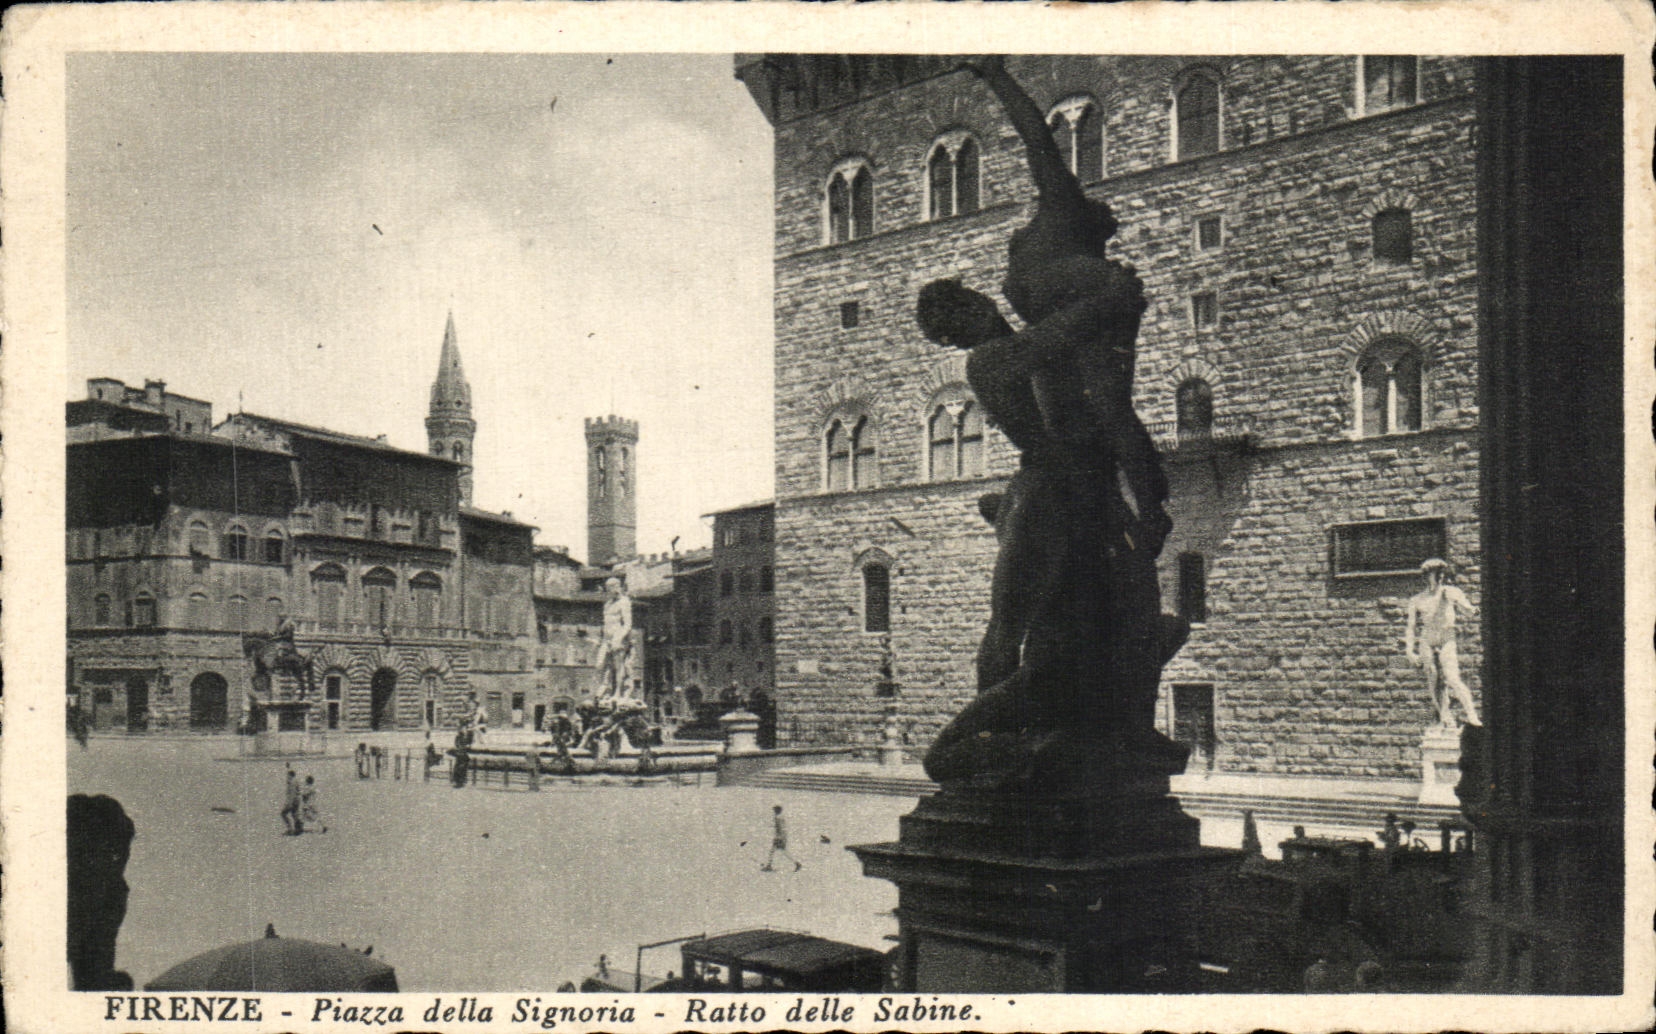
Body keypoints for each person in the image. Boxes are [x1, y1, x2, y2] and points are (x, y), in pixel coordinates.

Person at [1404, 558, 1482, 726]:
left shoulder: (1451, 592)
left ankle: (1472, 715)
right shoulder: (1417, 600)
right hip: (1428, 639)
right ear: (1427, 576)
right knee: (1432, 678)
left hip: (1446, 637)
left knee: (1452, 677)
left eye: (1441, 573)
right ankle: (1445, 717)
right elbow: (1411, 627)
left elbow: (1468, 610)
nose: (1439, 577)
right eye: (1435, 573)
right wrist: (1410, 650)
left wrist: (1468, 607)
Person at [596, 577, 636, 700]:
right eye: (608, 588)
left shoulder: (624, 602)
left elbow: (627, 623)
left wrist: (619, 638)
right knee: (600, 664)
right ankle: (605, 688)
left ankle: (618, 692)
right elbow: (605, 623)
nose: (609, 590)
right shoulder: (607, 604)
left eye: (612, 587)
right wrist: (601, 639)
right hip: (606, 639)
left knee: (618, 666)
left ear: (617, 587)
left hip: (618, 638)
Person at [761, 804, 801, 872]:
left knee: (774, 851)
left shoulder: (777, 818)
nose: (773, 811)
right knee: (780, 851)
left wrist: (778, 837)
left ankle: (769, 865)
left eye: (774, 810)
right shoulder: (781, 817)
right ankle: (796, 863)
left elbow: (780, 828)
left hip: (779, 837)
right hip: (782, 836)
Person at [280, 766, 302, 835]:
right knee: (294, 815)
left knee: (283, 814)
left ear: (290, 775)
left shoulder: (292, 783)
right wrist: (288, 767)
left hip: (292, 801)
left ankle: (290, 829)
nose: (287, 777)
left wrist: (289, 803)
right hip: (297, 801)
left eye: (288, 776)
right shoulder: (295, 780)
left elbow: (292, 794)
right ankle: (298, 829)